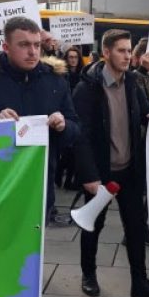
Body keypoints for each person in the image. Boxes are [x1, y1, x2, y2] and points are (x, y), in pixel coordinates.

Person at [72, 29, 149, 297]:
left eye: (129, 51)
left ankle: (140, 282)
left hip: (129, 171)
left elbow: (142, 114)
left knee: (136, 228)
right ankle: (88, 275)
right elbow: (81, 136)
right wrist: (89, 176)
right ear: (106, 53)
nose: (128, 56)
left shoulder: (133, 82)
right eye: (121, 51)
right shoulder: (87, 88)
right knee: (93, 224)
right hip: (100, 173)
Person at [0, 16, 80, 228]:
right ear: (6, 47)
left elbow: (75, 128)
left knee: (33, 257)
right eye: (24, 45)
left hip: (39, 187)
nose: (33, 51)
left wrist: (63, 125)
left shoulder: (55, 80)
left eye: (37, 45)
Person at [56, 45, 84, 191]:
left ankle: (68, 181)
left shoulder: (83, 75)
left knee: (75, 151)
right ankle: (59, 174)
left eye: (75, 57)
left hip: (78, 115)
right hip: (65, 115)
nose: (73, 60)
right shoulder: (61, 75)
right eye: (70, 57)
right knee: (67, 150)